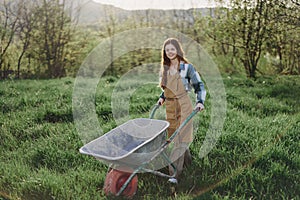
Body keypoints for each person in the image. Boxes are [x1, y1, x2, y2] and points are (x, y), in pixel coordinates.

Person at [157, 38, 206, 184]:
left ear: (178, 50)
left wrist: (200, 102)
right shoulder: (165, 68)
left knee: (180, 138)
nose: (170, 52)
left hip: (184, 105)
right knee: (176, 137)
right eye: (167, 50)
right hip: (170, 107)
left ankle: (173, 175)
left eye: (172, 49)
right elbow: (166, 89)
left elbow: (199, 86)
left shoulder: (187, 67)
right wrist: (162, 98)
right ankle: (189, 163)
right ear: (164, 53)